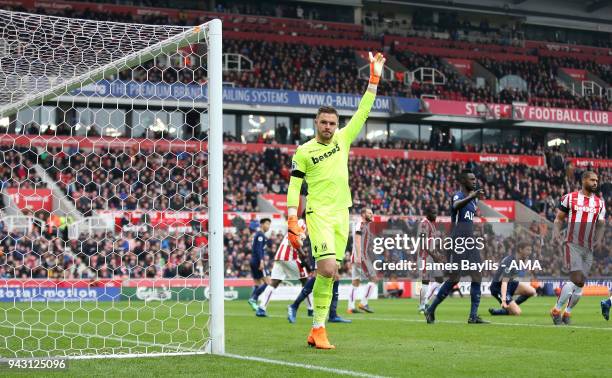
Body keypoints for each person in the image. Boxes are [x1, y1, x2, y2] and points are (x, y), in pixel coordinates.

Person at [285, 52, 385, 349]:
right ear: (315, 123)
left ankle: (317, 330)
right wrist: (292, 218)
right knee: (327, 268)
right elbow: (294, 186)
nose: (328, 127)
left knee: (331, 273)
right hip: (318, 214)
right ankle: (318, 327)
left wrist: (374, 79)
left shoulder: (343, 139)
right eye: (324, 122)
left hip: (343, 214)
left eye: (332, 123)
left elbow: (364, 111)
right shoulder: (304, 151)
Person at [424, 169, 489, 324]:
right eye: (471, 179)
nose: (474, 182)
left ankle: (473, 316)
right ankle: (431, 309)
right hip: (457, 240)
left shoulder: (474, 201)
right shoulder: (458, 196)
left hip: (469, 240)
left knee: (477, 275)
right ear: (463, 181)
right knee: (454, 278)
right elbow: (456, 206)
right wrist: (472, 196)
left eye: (475, 179)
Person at [551, 171, 605, 325]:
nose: (595, 183)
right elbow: (559, 218)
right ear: (584, 180)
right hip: (572, 243)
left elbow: (601, 224)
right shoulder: (570, 198)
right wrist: (555, 234)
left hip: (588, 247)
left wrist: (599, 240)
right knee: (575, 278)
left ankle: (567, 313)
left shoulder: (599, 203)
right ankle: (556, 311)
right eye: (592, 180)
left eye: (597, 180)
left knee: (581, 283)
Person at [255, 218, 310, 317]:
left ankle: (261, 309)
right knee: (306, 281)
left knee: (274, 283)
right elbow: (295, 240)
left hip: (280, 255)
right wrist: (303, 254)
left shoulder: (296, 223)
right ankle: (311, 309)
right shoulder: (302, 224)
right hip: (289, 256)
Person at [488, 242, 536, 316]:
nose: (530, 252)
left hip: (509, 284)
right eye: (527, 250)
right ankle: (503, 310)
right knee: (517, 312)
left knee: (532, 291)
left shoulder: (520, 260)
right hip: (498, 288)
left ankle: (510, 307)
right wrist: (504, 300)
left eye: (530, 250)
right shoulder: (510, 261)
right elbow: (504, 282)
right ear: (520, 250)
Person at [347, 208, 378, 314]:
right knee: (374, 278)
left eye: (372, 213)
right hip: (361, 257)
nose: (371, 215)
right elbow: (357, 240)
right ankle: (363, 303)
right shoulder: (360, 224)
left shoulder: (365, 225)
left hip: (358, 256)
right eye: (369, 213)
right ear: (363, 214)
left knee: (355, 282)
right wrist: (359, 257)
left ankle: (350, 307)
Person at [417, 205, 444, 314]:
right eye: (433, 213)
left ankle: (426, 300)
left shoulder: (432, 225)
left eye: (436, 212)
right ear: (427, 214)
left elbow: (431, 243)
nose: (435, 215)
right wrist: (434, 256)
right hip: (424, 256)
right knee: (425, 281)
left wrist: (437, 254)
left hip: (431, 256)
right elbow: (423, 243)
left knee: (440, 279)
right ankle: (422, 306)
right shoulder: (424, 224)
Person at [247, 218, 271, 311]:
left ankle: (253, 303)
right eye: (267, 224)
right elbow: (259, 249)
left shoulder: (257, 234)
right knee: (268, 282)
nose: (268, 226)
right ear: (261, 224)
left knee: (257, 283)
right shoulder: (261, 235)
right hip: (258, 261)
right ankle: (253, 298)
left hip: (253, 260)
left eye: (269, 224)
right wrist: (261, 261)